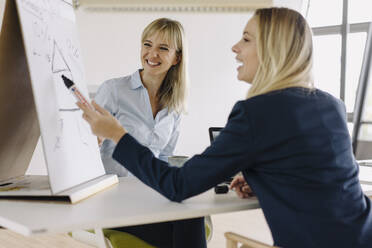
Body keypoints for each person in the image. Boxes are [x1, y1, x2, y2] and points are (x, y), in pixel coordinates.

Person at [78, 7, 372, 248]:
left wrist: (117, 133)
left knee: (186, 215)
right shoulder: (331, 104)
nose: (235, 47)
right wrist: (262, 179)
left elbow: (179, 185)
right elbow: (319, 176)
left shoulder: (256, 113)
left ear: (271, 49)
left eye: (246, 39)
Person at [93, 18, 206, 248]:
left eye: (163, 48)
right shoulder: (114, 90)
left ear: (177, 58)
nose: (152, 54)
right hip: (112, 199)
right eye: (147, 44)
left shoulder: (174, 106)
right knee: (179, 235)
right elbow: (84, 148)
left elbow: (164, 159)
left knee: (192, 213)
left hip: (149, 196)